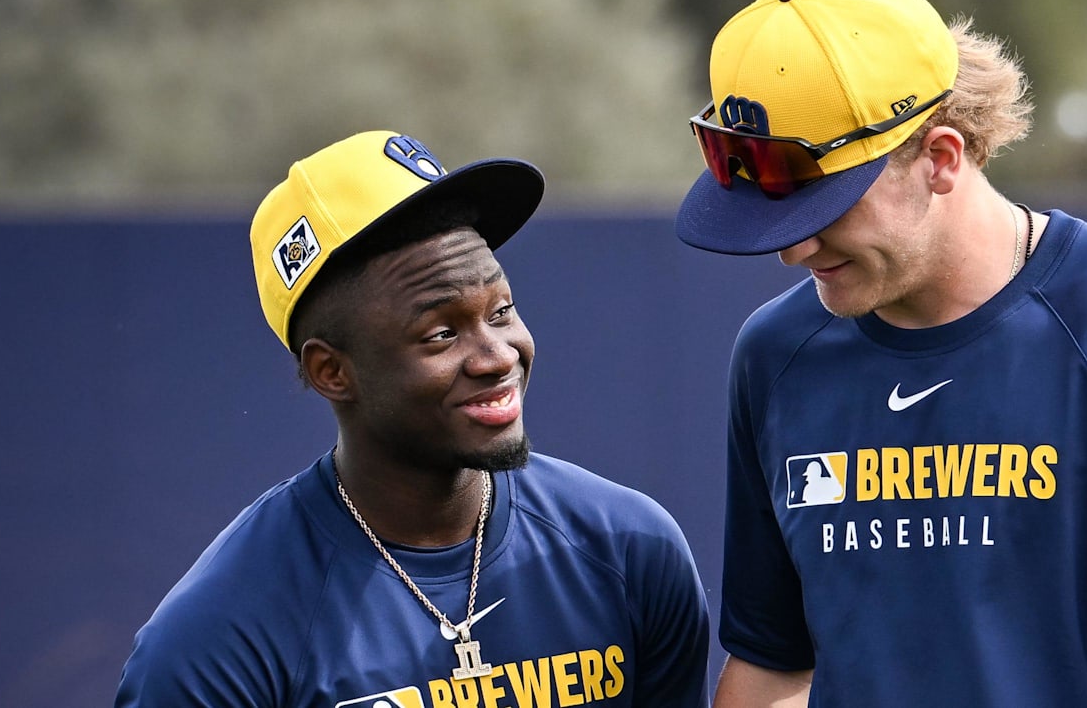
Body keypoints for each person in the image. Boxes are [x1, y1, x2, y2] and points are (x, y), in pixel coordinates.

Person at [674, 0, 1087, 707]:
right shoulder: (774, 355)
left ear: (940, 158)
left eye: (821, 208)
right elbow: (772, 670)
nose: (793, 251)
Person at [115, 131, 711, 707]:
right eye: (441, 333)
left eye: (501, 311)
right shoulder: (218, 637)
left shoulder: (628, 549)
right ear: (332, 372)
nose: (499, 356)